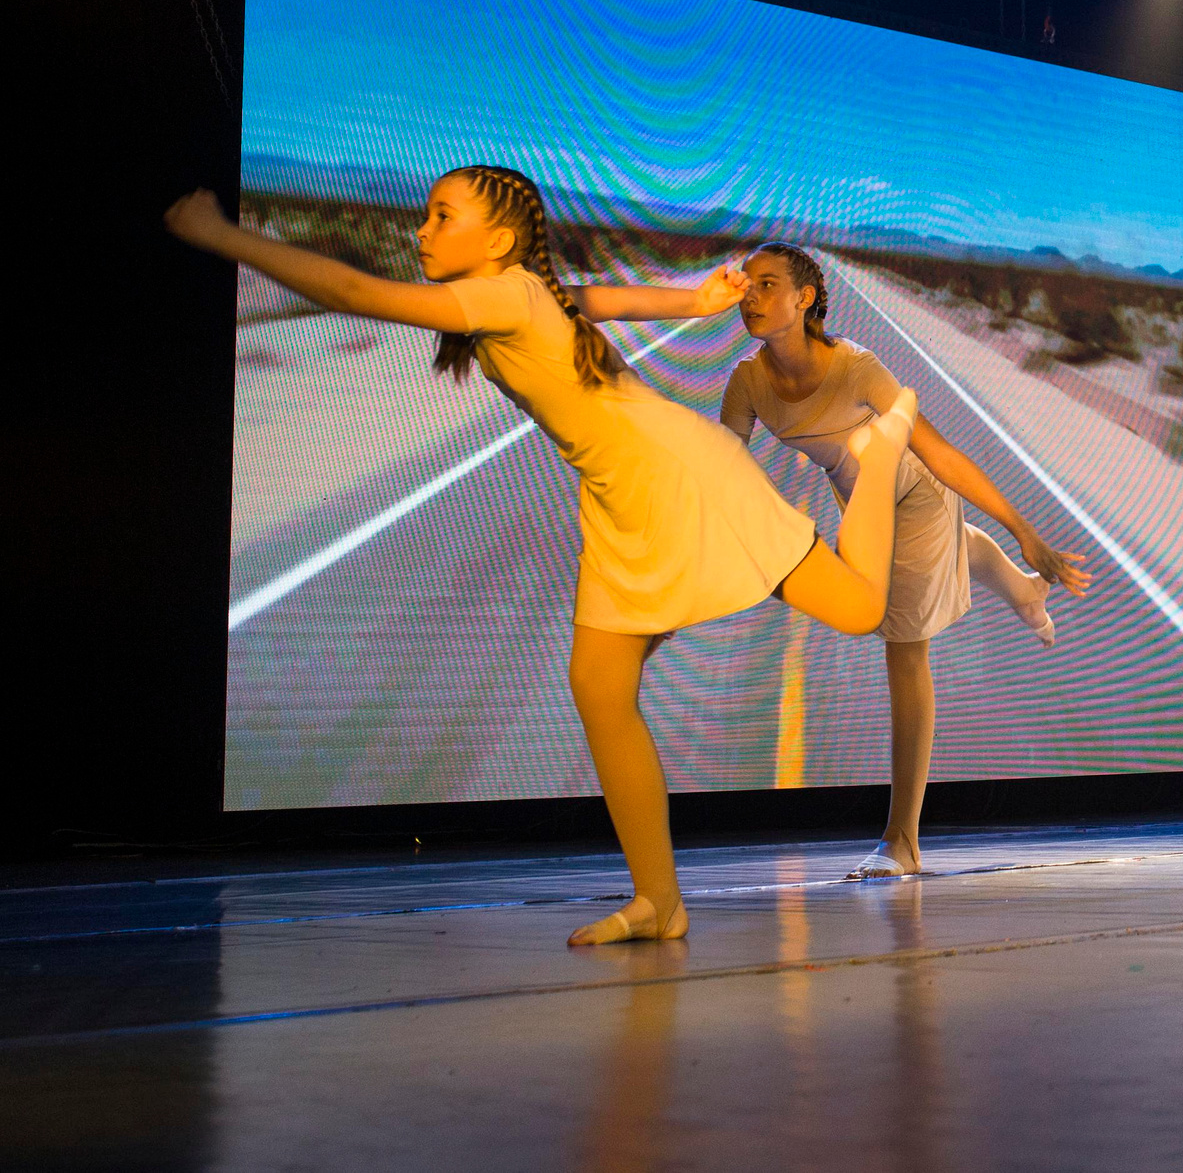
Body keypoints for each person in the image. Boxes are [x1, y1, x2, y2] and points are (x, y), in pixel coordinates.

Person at [166, 171, 917, 947]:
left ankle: (878, 445)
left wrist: (226, 236)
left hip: (674, 474)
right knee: (599, 685)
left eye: (442, 216)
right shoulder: (529, 292)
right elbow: (613, 300)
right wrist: (693, 301)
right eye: (425, 215)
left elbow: (357, 290)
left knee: (860, 607)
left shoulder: (503, 294)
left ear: (496, 241)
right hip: (625, 492)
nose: (422, 229)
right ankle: (659, 901)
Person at [720, 243, 1093, 878]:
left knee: (902, 643)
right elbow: (723, 466)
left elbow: (938, 451)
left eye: (767, 283)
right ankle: (1024, 592)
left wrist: (1026, 529)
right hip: (862, 498)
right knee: (919, 561)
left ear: (804, 298)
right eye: (745, 284)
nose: (749, 295)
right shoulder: (749, 379)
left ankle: (903, 842)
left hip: (915, 492)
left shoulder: (857, 369)